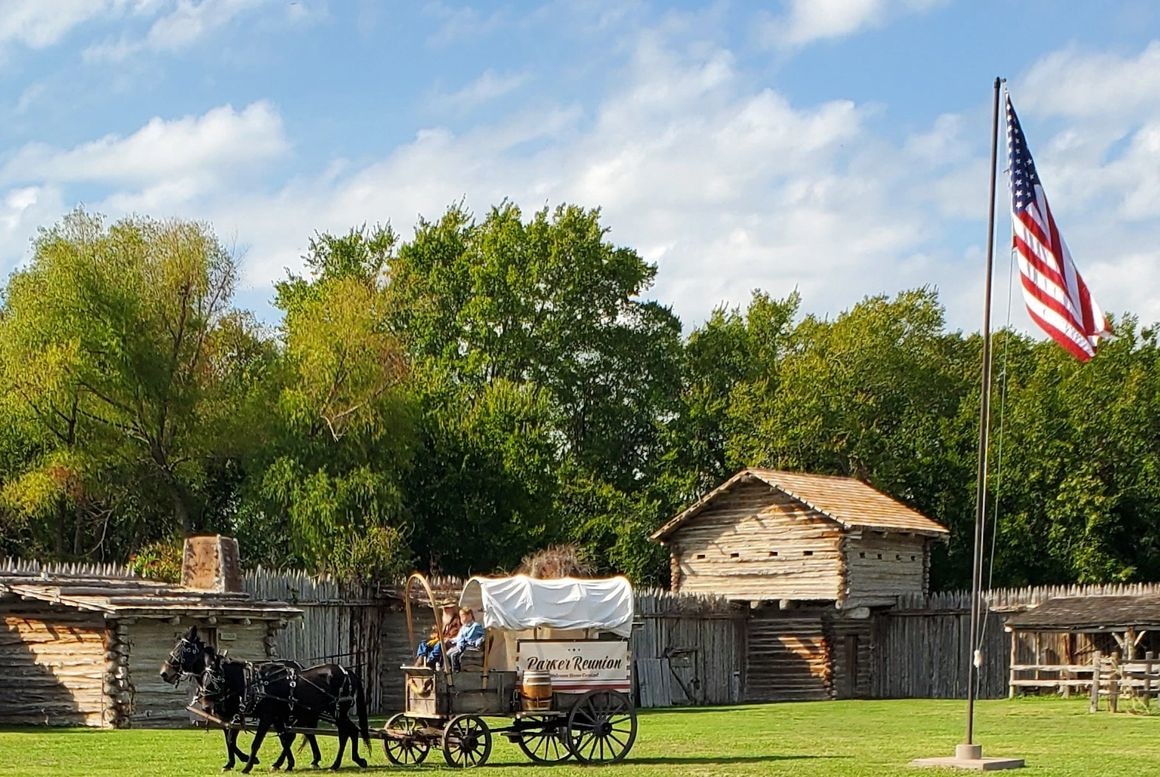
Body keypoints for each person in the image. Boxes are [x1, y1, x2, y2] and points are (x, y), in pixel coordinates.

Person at [446, 607, 485, 671]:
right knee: (447, 654)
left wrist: (477, 642)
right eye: (461, 617)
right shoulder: (464, 627)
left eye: (463, 616)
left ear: (469, 616)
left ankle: (456, 671)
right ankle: (448, 670)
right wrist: (451, 640)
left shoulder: (475, 626)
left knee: (454, 655)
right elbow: (459, 638)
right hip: (460, 645)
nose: (461, 619)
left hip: (469, 646)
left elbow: (472, 637)